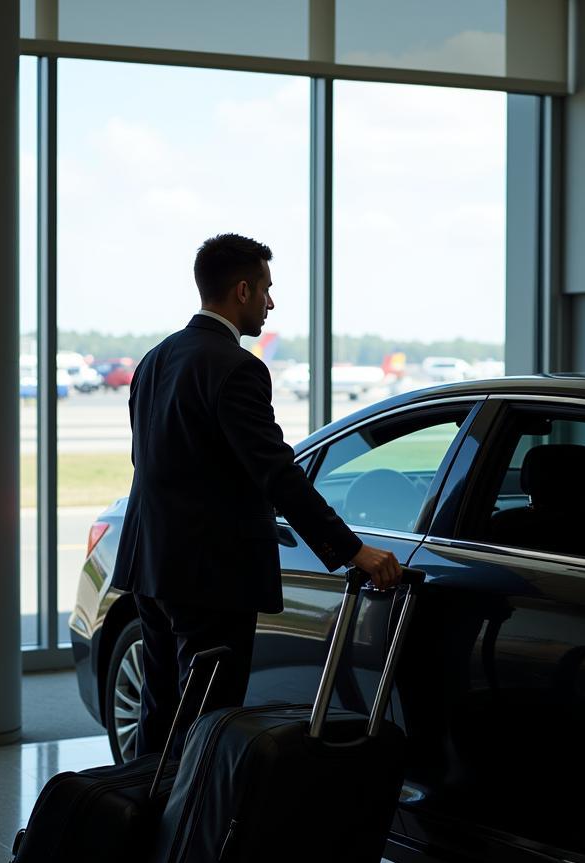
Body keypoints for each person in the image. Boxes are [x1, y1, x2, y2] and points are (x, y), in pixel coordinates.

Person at [111, 233, 402, 756]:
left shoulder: (156, 359)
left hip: (150, 566)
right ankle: (193, 833)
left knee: (160, 718)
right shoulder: (238, 368)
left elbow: (147, 461)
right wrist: (351, 549)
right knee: (208, 726)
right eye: (266, 289)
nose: (271, 303)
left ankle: (151, 825)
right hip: (210, 579)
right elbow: (277, 474)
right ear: (241, 290)